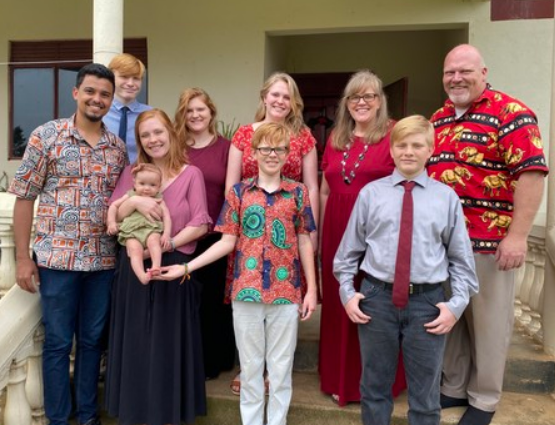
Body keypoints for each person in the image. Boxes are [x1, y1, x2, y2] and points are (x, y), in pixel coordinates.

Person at [155, 122, 318, 425]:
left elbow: (304, 240)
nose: (272, 154)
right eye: (265, 148)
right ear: (253, 153)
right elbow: (226, 241)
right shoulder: (239, 193)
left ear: (287, 154)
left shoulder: (298, 193)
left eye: (279, 149)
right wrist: (187, 267)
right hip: (247, 291)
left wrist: (311, 290)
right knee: (251, 367)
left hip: (286, 292)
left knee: (281, 369)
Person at [428, 44, 549, 425]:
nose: (456, 78)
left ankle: (484, 399)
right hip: (443, 245)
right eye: (450, 72)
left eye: (464, 71)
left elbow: (531, 175)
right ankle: (454, 386)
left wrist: (518, 236)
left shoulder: (511, 113)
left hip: (490, 244)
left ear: (483, 73)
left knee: (489, 325)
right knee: (452, 320)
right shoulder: (439, 118)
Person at [334, 115, 479, 425]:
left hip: (427, 304)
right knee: (374, 387)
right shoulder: (371, 194)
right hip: (376, 299)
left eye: (417, 145)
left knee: (425, 396)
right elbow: (347, 254)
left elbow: (461, 261)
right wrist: (347, 293)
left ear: (430, 150)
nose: (409, 152)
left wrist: (456, 305)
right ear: (392, 149)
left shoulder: (446, 198)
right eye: (401, 145)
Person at [9, 63, 127, 425]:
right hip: (57, 261)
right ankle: (59, 419)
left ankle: (88, 416)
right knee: (58, 343)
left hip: (102, 262)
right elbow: (24, 197)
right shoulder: (46, 137)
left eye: (105, 94)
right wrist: (23, 258)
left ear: (111, 100)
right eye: (90, 91)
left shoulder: (117, 148)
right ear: (76, 93)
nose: (97, 99)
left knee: (92, 343)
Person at [104, 108, 212, 425]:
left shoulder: (191, 174)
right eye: (145, 135)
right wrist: (134, 201)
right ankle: (135, 414)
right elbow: (113, 216)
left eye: (158, 132)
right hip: (134, 269)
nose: (153, 139)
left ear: (171, 133)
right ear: (140, 141)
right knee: (137, 343)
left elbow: (201, 223)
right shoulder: (132, 173)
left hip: (173, 268)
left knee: (167, 345)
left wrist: (169, 244)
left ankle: (167, 415)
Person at [225, 71, 319, 394]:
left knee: (284, 304)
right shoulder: (244, 135)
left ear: (294, 103)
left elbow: (312, 186)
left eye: (286, 96)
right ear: (264, 96)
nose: (280, 101)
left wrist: (312, 232)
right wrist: (235, 229)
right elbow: (231, 184)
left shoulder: (303, 137)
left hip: (288, 231)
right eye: (275, 94)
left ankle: (275, 373)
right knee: (249, 302)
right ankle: (249, 368)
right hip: (249, 234)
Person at [318, 69, 406, 405]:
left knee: (373, 305)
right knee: (339, 304)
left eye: (369, 95)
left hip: (378, 232)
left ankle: (371, 382)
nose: (362, 102)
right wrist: (321, 237)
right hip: (336, 230)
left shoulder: (394, 134)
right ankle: (337, 377)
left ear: (380, 100)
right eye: (355, 96)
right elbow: (325, 191)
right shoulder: (336, 138)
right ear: (346, 103)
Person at [174, 87, 235, 380]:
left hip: (215, 236)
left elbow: (232, 192)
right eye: (189, 110)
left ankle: (213, 361)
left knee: (212, 301)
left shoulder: (227, 148)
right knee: (184, 302)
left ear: (211, 112)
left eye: (201, 109)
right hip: (180, 236)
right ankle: (185, 361)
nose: (196, 115)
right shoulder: (175, 148)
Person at [107, 163, 172, 284]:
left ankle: (156, 267)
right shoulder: (130, 195)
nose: (147, 188)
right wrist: (111, 223)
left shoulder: (159, 199)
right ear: (135, 183)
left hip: (151, 228)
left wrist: (166, 234)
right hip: (131, 231)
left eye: (152, 185)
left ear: (159, 187)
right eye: (142, 184)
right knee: (134, 250)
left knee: (154, 242)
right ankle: (141, 275)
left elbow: (167, 217)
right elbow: (114, 206)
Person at [103, 53, 152, 163]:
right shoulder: (99, 112)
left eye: (136, 78)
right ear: (111, 78)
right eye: (124, 77)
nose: (130, 83)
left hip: (139, 173)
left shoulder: (150, 115)